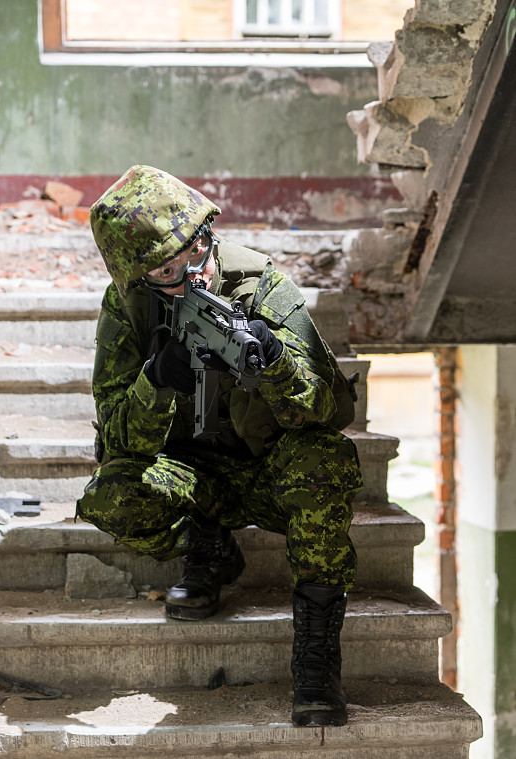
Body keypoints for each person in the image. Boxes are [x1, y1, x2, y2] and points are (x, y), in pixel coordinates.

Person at [76, 165, 363, 727]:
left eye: (197, 251)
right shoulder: (129, 308)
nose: (192, 277)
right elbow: (116, 440)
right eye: (166, 270)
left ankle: (316, 656)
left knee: (325, 463)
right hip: (193, 477)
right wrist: (155, 380)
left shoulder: (262, 287)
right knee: (113, 496)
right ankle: (207, 545)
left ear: (208, 231)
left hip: (267, 475)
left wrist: (276, 362)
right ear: (140, 278)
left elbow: (328, 412)